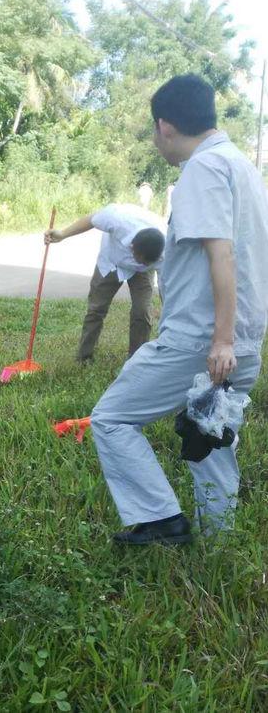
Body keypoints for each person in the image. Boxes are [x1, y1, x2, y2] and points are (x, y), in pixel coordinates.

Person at [91, 74, 268, 544]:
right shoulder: (245, 169)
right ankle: (217, 539)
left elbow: (221, 253)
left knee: (111, 418)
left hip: (202, 341)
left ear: (165, 126)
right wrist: (235, 340)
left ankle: (160, 520)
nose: (156, 141)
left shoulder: (202, 170)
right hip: (244, 342)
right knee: (210, 436)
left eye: (154, 132)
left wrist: (221, 340)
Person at [44, 205, 165, 362]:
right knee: (96, 308)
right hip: (111, 261)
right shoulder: (117, 218)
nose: (139, 264)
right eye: (139, 260)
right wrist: (62, 234)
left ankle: (136, 360)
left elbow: (166, 287)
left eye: (147, 263)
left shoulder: (166, 251)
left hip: (144, 270)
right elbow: (92, 220)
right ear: (132, 247)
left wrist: (169, 313)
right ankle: (84, 356)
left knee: (141, 311)